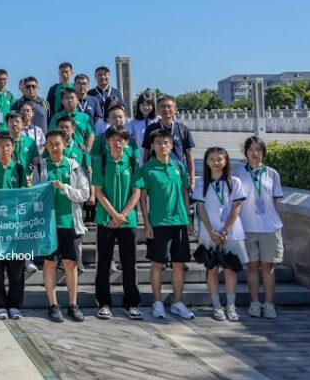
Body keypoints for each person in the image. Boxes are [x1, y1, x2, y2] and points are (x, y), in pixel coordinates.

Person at [141, 128, 195, 320]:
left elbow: (184, 192)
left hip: (179, 221)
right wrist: (146, 223)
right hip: (158, 222)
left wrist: (188, 217)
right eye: (158, 143)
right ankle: (157, 303)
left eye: (166, 143)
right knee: (157, 263)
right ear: (152, 146)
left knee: (179, 264)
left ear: (171, 145)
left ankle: (177, 302)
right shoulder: (147, 168)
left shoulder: (178, 165)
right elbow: (143, 198)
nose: (162, 146)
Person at [91, 125, 144, 320]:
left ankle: (131, 303)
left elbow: (137, 191)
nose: (118, 142)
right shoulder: (102, 161)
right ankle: (104, 303)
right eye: (114, 138)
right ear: (108, 141)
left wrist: (123, 215)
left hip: (127, 222)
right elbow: (98, 191)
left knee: (129, 263)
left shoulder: (131, 162)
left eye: (122, 139)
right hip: (106, 219)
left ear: (126, 141)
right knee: (103, 263)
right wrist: (114, 214)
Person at [40, 130, 90, 323]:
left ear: (65, 144)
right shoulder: (42, 167)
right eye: (50, 143)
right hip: (48, 224)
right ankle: (53, 305)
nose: (54, 147)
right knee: (50, 263)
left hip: (70, 222)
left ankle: (73, 304)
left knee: (70, 263)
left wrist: (65, 188)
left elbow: (84, 194)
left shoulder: (74, 166)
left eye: (57, 143)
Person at [193, 147, 248, 322]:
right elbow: (200, 208)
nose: (216, 163)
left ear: (226, 161)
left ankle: (231, 306)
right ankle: (217, 306)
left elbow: (236, 207)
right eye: (212, 159)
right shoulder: (201, 183)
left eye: (220, 159)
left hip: (231, 233)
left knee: (231, 269)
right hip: (209, 233)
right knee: (212, 269)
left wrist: (224, 230)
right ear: (207, 162)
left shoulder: (235, 182)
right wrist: (211, 231)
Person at [234, 135, 285, 319]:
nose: (255, 153)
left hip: (269, 228)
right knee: (252, 266)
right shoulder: (239, 174)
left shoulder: (272, 173)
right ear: (246, 153)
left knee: (268, 266)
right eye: (251, 150)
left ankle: (269, 304)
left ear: (263, 152)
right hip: (247, 227)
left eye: (258, 150)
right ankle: (255, 303)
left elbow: (274, 201)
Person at [0, 132, 28, 320]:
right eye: (1, 145)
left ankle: (15, 305)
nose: (4, 148)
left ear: (13, 147)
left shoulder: (19, 169)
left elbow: (25, 195)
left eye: (8, 145)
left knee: (17, 269)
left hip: (16, 227)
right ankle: (0, 305)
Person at [141, 95, 196, 192]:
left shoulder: (182, 129)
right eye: (162, 106)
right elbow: (146, 153)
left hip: (178, 172)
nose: (166, 109)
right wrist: (145, 174)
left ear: (175, 110)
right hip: (157, 174)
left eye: (169, 106)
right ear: (158, 110)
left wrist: (192, 179)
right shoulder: (151, 129)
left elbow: (189, 154)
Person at [49, 88, 96, 153]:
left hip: (80, 155)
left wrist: (86, 152)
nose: (70, 100)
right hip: (61, 156)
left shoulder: (85, 117)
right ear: (62, 101)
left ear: (77, 100)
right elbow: (52, 136)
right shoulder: (56, 117)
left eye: (72, 98)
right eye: (66, 98)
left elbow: (91, 135)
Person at [127, 92, 157, 160]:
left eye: (148, 104)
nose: (145, 107)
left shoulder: (158, 120)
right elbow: (131, 142)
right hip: (140, 157)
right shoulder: (133, 123)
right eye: (143, 104)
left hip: (156, 157)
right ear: (138, 106)